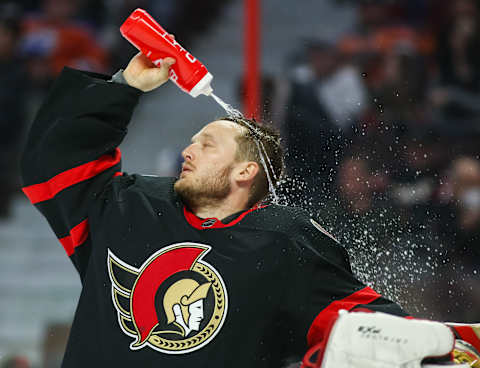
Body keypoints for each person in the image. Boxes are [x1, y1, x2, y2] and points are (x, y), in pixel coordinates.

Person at [20, 53, 480, 367]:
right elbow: (52, 166)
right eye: (192, 140)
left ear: (245, 172)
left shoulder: (285, 241)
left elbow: (359, 326)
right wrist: (126, 84)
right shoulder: (128, 206)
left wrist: (448, 346)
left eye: (207, 143)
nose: (188, 149)